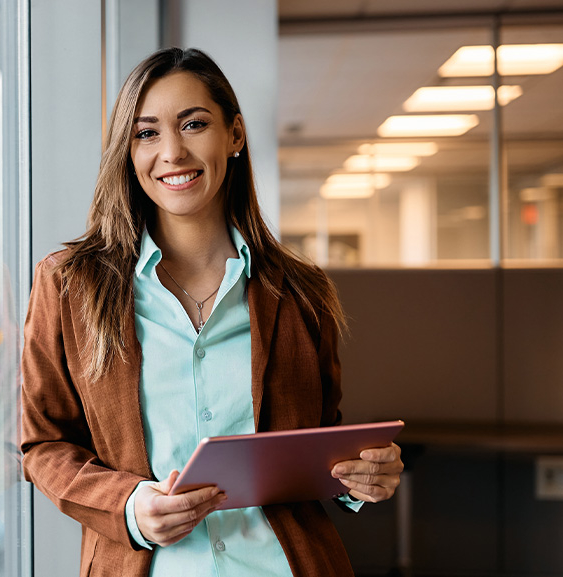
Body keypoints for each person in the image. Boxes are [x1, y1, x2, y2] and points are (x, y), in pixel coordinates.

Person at [21, 47, 403, 577]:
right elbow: (42, 444)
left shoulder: (301, 292)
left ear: (236, 135)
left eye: (194, 124)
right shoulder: (69, 284)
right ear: (127, 152)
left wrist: (362, 478)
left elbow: (319, 440)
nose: (172, 152)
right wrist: (129, 505)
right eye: (147, 132)